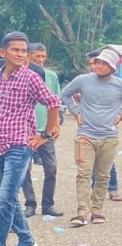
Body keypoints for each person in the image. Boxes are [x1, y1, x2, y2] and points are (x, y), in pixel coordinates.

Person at [61, 49, 122, 226]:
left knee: (103, 175)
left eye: (104, 63)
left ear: (112, 67)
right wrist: (75, 112)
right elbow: (65, 94)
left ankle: (97, 210)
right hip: (85, 135)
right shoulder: (83, 80)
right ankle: (82, 211)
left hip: (108, 137)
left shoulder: (120, 85)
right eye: (97, 62)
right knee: (83, 174)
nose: (99, 66)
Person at [0, 32, 61, 246]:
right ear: (2, 52)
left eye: (23, 51)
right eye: (15, 50)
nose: (20, 54)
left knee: (4, 199)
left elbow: (53, 102)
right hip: (1, 145)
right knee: (8, 198)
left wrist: (45, 134)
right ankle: (26, 240)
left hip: (20, 145)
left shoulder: (30, 77)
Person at [21, 43, 64, 218]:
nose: (40, 60)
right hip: (25, 131)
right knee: (25, 170)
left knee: (51, 168)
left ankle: (48, 204)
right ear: (28, 57)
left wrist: (56, 126)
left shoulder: (51, 76)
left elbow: (56, 102)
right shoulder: (21, 75)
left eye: (43, 56)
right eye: (37, 56)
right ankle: (30, 204)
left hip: (45, 132)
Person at [84, 50, 122, 201]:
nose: (95, 66)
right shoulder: (85, 80)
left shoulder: (114, 82)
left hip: (106, 131)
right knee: (88, 164)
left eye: (99, 63)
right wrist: (76, 111)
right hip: (88, 128)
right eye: (92, 63)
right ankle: (93, 191)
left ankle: (113, 189)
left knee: (107, 163)